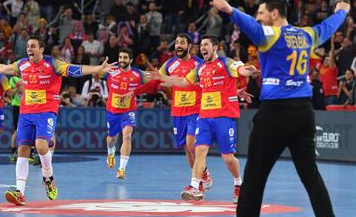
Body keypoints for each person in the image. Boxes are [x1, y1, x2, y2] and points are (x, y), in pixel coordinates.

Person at [211, 0, 349, 217]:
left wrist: (229, 9)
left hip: (276, 112)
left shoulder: (270, 35)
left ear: (275, 13)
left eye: (262, 12)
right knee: (310, 174)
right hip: (304, 111)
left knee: (255, 174)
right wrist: (342, 11)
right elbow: (328, 26)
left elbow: (250, 25)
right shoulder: (307, 35)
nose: (260, 17)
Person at [0, 35, 116, 206]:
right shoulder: (23, 64)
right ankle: (20, 192)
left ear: (41, 49)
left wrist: (98, 68)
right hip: (26, 112)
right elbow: (5, 68)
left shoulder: (53, 64)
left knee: (40, 146)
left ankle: (48, 177)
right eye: (28, 46)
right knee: (22, 148)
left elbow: (75, 69)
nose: (29, 49)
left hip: (46, 111)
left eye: (33, 46)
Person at [146, 34, 257, 203]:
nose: (203, 47)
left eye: (206, 45)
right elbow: (182, 82)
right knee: (199, 150)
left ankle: (238, 184)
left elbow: (240, 69)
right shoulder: (200, 69)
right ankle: (195, 186)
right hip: (204, 116)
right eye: (201, 45)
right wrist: (161, 77)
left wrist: (248, 70)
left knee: (228, 158)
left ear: (216, 47)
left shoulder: (225, 63)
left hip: (224, 116)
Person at [131, 33, 213, 189]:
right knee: (187, 150)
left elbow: (211, 84)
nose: (178, 45)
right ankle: (201, 177)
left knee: (191, 144)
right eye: (176, 43)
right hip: (178, 111)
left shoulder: (200, 65)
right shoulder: (169, 64)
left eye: (182, 42)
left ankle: (196, 183)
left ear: (189, 46)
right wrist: (133, 89)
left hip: (196, 110)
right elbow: (156, 79)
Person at [103, 48, 147, 179]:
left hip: (128, 111)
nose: (122, 60)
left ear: (131, 60)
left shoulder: (138, 74)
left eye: (125, 57)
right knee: (112, 138)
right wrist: (101, 68)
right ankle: (111, 153)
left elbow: (152, 80)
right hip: (112, 111)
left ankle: (122, 169)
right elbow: (96, 72)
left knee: (127, 136)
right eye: (120, 57)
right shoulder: (111, 71)